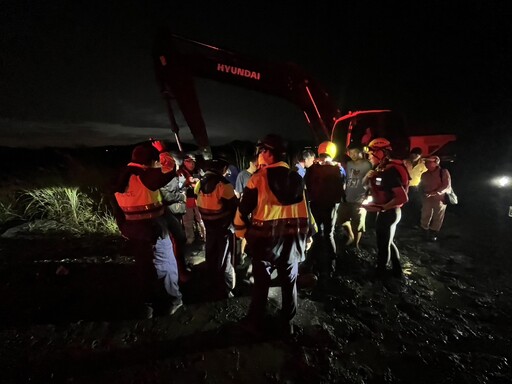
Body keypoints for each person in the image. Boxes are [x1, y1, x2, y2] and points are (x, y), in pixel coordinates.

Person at [234, 134, 315, 336]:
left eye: (261, 151)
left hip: (265, 241)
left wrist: (241, 231)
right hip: (293, 240)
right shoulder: (297, 178)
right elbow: (306, 209)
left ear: (268, 153)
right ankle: (286, 323)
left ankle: (255, 322)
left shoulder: (258, 179)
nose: (260, 156)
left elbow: (242, 211)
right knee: (289, 282)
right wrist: (310, 235)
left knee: (261, 283)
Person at [112, 141, 183, 318]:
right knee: (166, 264)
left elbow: (115, 206)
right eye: (155, 162)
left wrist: (123, 227)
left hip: (132, 228)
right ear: (149, 162)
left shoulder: (119, 177)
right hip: (153, 227)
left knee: (144, 266)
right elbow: (169, 168)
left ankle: (148, 303)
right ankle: (174, 299)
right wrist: (163, 150)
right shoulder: (144, 176)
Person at [363, 138, 410, 279]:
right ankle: (397, 270)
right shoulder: (382, 168)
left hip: (389, 213)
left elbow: (402, 197)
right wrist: (367, 177)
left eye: (372, 153)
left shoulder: (390, 171)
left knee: (383, 246)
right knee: (387, 242)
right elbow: (367, 186)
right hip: (388, 212)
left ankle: (380, 274)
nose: (369, 156)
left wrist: (383, 208)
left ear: (382, 152)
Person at [195, 159, 238, 300]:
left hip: (209, 227)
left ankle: (211, 282)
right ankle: (226, 289)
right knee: (225, 259)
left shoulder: (200, 183)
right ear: (223, 168)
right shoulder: (223, 185)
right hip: (223, 228)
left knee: (211, 254)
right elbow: (234, 207)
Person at [303, 140, 345, 285]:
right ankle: (331, 264)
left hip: (315, 205)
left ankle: (310, 263)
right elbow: (342, 189)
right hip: (331, 207)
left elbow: (306, 185)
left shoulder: (312, 168)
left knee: (315, 233)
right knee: (329, 233)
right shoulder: (338, 169)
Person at [337, 144, 372, 249]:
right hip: (347, 197)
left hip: (361, 198)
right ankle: (351, 236)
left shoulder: (367, 164)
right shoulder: (349, 164)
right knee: (341, 219)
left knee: (358, 224)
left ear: (361, 152)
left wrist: (368, 195)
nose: (352, 155)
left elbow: (370, 181)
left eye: (355, 152)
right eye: (351, 153)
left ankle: (355, 244)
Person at [420, 155, 451, 241]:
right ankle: (424, 232)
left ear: (436, 163)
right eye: (426, 162)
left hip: (440, 198)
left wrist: (434, 192)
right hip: (427, 198)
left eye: (429, 162)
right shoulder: (424, 174)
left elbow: (446, 185)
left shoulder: (443, 172)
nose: (426, 164)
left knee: (438, 216)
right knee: (425, 214)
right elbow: (421, 185)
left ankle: (433, 233)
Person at [178, 154, 206, 245]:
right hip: (187, 199)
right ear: (184, 162)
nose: (191, 164)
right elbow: (178, 186)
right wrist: (187, 181)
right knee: (187, 221)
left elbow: (205, 181)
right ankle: (190, 238)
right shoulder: (180, 172)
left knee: (201, 218)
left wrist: (199, 182)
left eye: (193, 161)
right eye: (188, 161)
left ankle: (205, 236)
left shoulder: (199, 170)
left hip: (198, 198)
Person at [403, 147, 427, 227]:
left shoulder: (422, 164)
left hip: (416, 187)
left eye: (417, 155)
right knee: (405, 205)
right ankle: (405, 222)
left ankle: (415, 223)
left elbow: (426, 174)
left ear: (420, 155)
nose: (415, 156)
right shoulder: (405, 162)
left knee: (416, 206)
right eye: (413, 154)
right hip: (405, 187)